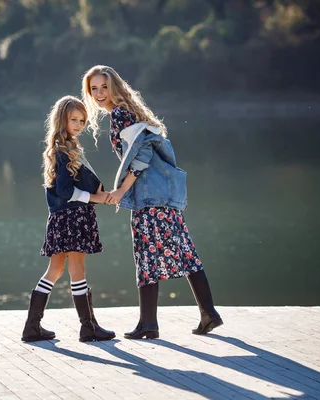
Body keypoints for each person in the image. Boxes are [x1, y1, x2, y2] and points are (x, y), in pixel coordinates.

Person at [81, 65, 223, 339]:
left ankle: (150, 323)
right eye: (93, 89)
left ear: (114, 87)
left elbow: (143, 153)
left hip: (148, 197)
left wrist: (121, 191)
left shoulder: (121, 114)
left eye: (103, 87)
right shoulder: (127, 111)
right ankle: (208, 313)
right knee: (184, 251)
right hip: (160, 196)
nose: (99, 93)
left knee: (146, 255)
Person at [21, 95, 116, 343]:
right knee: (77, 269)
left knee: (56, 269)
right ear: (61, 119)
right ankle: (88, 327)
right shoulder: (63, 151)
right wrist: (95, 198)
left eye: (82, 121)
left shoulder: (63, 148)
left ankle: (32, 326)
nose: (78, 124)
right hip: (72, 218)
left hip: (62, 218)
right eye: (73, 119)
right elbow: (64, 191)